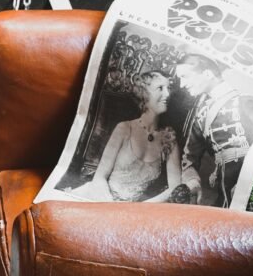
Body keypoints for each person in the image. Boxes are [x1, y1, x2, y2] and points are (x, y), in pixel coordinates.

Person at [175, 53, 253, 208]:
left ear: (207, 74)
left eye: (185, 76)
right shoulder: (202, 116)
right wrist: (193, 182)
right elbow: (189, 158)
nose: (181, 84)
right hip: (223, 195)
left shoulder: (246, 102)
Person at [75, 70, 181, 202]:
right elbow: (100, 177)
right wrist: (110, 205)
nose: (167, 94)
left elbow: (175, 188)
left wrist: (139, 209)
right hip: (100, 197)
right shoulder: (124, 128)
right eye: (160, 88)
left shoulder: (169, 138)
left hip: (136, 210)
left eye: (168, 88)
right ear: (144, 94)